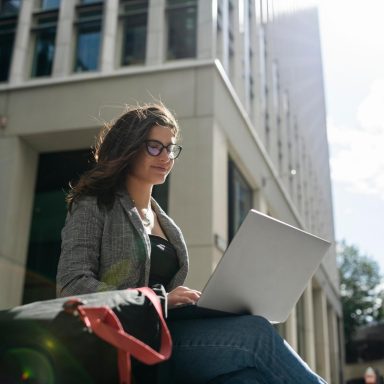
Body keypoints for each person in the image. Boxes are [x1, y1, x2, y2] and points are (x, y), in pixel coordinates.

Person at [56, 103, 327, 384]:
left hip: (169, 333)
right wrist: (160, 300)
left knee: (246, 378)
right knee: (254, 335)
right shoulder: (94, 204)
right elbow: (71, 284)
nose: (165, 157)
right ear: (129, 148)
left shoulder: (168, 226)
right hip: (125, 339)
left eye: (170, 149)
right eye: (154, 147)